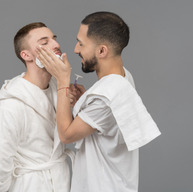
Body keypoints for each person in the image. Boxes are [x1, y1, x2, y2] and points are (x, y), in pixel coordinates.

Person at [37, 11, 161, 192]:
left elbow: (66, 135)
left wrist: (63, 80)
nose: (75, 49)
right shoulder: (123, 77)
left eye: (81, 44)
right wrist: (85, 102)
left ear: (102, 51)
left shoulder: (106, 96)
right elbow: (107, 117)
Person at [0, 22, 74, 192]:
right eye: (45, 42)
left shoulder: (59, 88)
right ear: (26, 55)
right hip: (30, 185)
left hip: (61, 180)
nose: (56, 45)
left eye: (54, 39)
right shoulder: (10, 103)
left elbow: (71, 133)